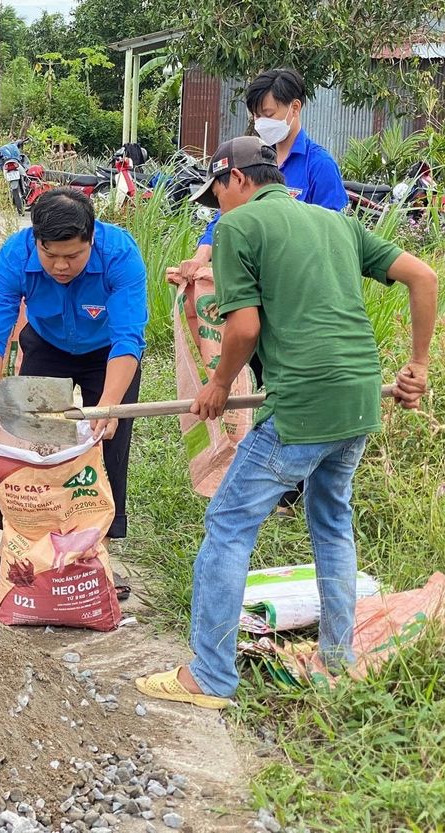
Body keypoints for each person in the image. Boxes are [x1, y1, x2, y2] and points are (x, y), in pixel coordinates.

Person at [136, 137, 436, 708]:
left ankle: (210, 677)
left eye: (215, 192)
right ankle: (337, 658)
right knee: (330, 518)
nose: (216, 207)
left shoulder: (238, 228)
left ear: (236, 179)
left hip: (302, 404)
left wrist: (219, 385)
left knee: (227, 524)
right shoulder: (335, 222)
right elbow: (423, 277)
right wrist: (417, 366)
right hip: (358, 400)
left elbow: (244, 330)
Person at [170, 67, 349, 516]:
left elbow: (335, 231)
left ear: (294, 109)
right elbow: (221, 221)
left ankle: (293, 486)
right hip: (252, 293)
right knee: (253, 380)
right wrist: (199, 260)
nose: (262, 122)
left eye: (268, 112)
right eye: (256, 115)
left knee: (286, 387)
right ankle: (261, 472)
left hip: (295, 300)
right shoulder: (250, 161)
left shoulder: (318, 165)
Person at [0, 188, 148, 597]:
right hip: (48, 346)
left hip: (108, 354)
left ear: (91, 238)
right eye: (51, 256)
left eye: (73, 256)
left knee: (107, 448)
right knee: (34, 449)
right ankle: (13, 547)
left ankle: (97, 552)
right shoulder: (15, 256)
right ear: (36, 241)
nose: (61, 266)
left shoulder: (119, 254)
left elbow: (128, 337)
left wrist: (109, 405)